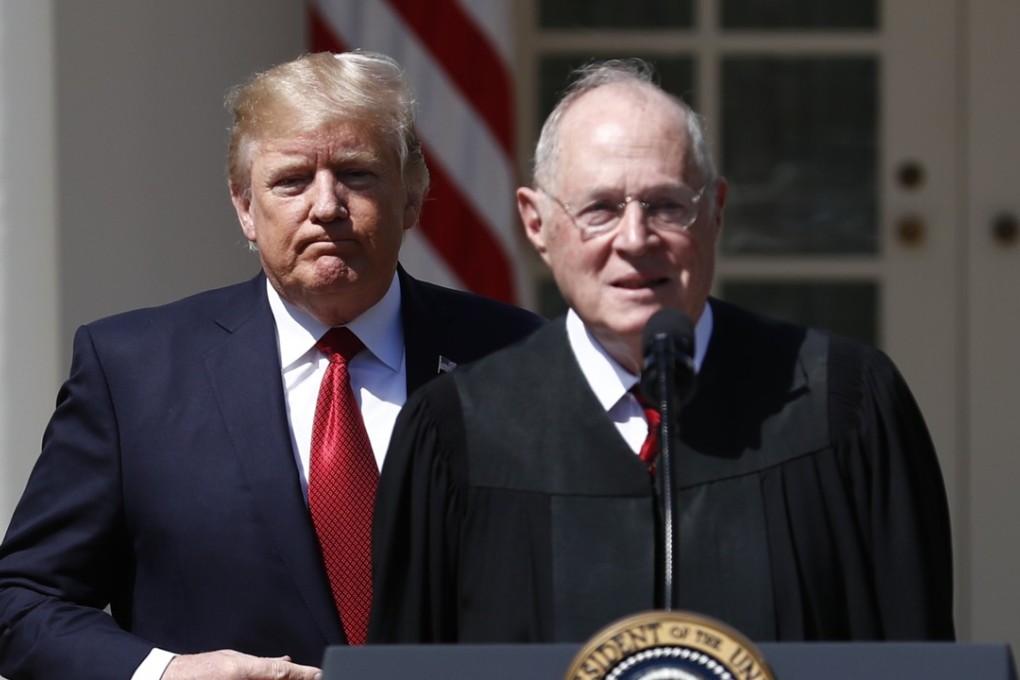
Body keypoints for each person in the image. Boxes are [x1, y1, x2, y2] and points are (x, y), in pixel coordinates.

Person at [368, 58, 955, 645]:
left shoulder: (842, 405)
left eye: (667, 205)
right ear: (537, 223)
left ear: (717, 212)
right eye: (598, 209)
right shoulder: (457, 433)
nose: (634, 239)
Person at [0, 51, 542, 680]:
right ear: (244, 207)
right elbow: (23, 602)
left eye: (358, 175)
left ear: (412, 199)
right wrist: (167, 672)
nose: (327, 206)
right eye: (291, 181)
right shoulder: (134, 371)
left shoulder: (515, 356)